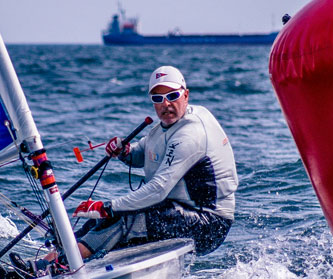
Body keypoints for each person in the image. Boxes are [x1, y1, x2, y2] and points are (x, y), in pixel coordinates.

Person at [70, 65, 238, 258]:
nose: (166, 104)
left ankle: (66, 263)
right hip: (176, 211)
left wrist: (107, 206)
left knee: (121, 218)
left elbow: (159, 189)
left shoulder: (191, 134)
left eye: (172, 96)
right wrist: (124, 151)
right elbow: (142, 154)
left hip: (209, 224)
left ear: (186, 95)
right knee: (101, 222)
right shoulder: (167, 125)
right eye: (158, 99)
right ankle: (55, 257)